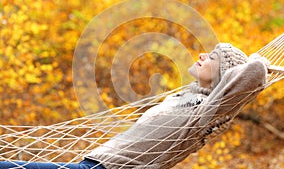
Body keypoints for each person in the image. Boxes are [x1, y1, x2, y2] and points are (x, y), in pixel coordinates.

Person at [0, 43, 268, 169]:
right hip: (95, 162)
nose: (201, 54)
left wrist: (256, 61)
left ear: (224, 76)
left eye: (212, 57)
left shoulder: (206, 113)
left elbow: (252, 73)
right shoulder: (185, 98)